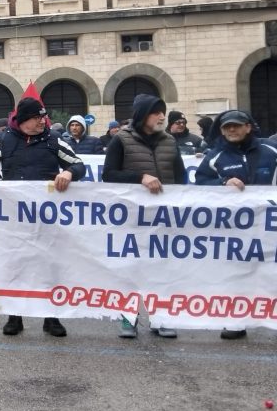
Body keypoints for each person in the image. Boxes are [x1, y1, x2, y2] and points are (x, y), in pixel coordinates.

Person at [0, 97, 86, 338]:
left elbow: (79, 165)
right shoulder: (4, 140)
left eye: (43, 117)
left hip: (48, 218)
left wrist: (68, 172)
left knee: (50, 265)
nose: (42, 121)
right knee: (16, 265)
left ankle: (52, 318)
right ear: (24, 120)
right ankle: (15, 317)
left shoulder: (54, 140)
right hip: (15, 219)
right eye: (37, 118)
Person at [104, 94, 187, 339]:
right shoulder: (121, 140)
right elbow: (109, 175)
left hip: (164, 218)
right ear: (142, 116)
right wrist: (140, 177)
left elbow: (181, 178)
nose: (162, 116)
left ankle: (161, 318)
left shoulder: (170, 141)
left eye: (163, 112)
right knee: (129, 267)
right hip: (131, 218)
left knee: (162, 268)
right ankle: (128, 318)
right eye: (156, 112)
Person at [195, 109, 277, 340]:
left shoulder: (271, 151)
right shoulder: (214, 156)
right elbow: (199, 184)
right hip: (234, 231)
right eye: (226, 127)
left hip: (270, 227)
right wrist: (222, 183)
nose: (232, 130)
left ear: (248, 127)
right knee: (235, 274)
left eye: (237, 125)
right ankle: (235, 321)